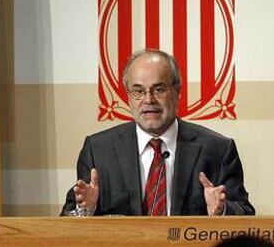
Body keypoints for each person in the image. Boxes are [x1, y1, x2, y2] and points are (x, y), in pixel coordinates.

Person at [61, 49, 255, 216]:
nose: (148, 100)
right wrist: (87, 209)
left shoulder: (217, 149)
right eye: (138, 91)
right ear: (128, 96)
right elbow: (68, 221)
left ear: (177, 91)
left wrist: (221, 211)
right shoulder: (99, 149)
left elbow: (244, 213)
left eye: (159, 89)